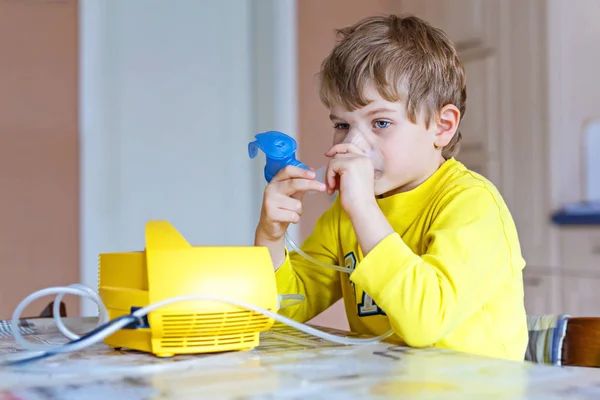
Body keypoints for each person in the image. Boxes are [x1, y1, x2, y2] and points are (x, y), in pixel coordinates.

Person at [253, 14, 528, 361]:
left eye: (381, 122)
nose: (353, 144)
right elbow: (278, 314)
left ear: (441, 126)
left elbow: (424, 322)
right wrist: (272, 236)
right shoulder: (345, 217)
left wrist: (365, 211)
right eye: (342, 124)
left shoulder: (472, 206)